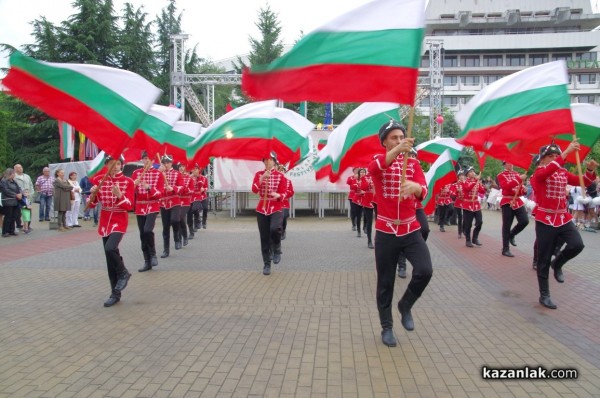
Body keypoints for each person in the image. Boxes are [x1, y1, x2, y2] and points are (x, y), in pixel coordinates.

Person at [369, 120, 433, 347]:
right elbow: (375, 168)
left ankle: (406, 304)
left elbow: (424, 189)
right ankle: (386, 327)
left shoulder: (413, 164)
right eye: (393, 138)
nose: (398, 140)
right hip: (386, 231)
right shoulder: (379, 161)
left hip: (410, 228)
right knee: (385, 282)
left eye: (401, 137)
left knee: (425, 270)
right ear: (384, 141)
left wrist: (416, 189)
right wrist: (398, 149)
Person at [531, 141, 597, 309]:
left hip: (563, 217)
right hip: (545, 219)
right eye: (550, 156)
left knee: (577, 244)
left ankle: (558, 263)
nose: (554, 158)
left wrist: (589, 170)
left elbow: (583, 181)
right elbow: (545, 174)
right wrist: (565, 152)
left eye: (556, 156)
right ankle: (544, 294)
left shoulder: (562, 172)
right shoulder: (538, 173)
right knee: (543, 258)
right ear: (543, 159)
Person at [89, 155, 135, 307]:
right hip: (105, 221)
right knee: (109, 260)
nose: (115, 167)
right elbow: (91, 205)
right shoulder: (100, 180)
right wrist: (93, 194)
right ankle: (115, 293)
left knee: (110, 248)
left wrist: (119, 195)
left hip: (119, 220)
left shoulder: (128, 182)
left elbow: (129, 206)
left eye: (118, 164)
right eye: (111, 164)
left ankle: (123, 272)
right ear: (106, 165)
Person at [251, 151, 288, 276]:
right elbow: (254, 189)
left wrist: (278, 195)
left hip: (276, 207)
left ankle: (277, 247)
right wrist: (262, 178)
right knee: (264, 237)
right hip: (262, 207)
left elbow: (284, 193)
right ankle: (267, 264)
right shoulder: (259, 174)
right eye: (266, 160)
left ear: (274, 162)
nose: (268, 162)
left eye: (270, 160)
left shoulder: (280, 176)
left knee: (275, 229)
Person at [397, 148, 430, 279]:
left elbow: (423, 187)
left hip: (416, 206)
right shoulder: (399, 166)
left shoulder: (416, 167)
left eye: (413, 155)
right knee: (401, 234)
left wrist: (416, 188)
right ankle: (402, 264)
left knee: (425, 229)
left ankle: (412, 250)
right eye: (409, 155)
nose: (411, 157)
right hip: (402, 207)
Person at [132, 151, 165, 272]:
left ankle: (153, 254)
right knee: (142, 234)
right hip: (140, 206)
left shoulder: (158, 174)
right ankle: (147, 260)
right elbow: (130, 192)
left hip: (152, 205)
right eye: (144, 159)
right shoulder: (136, 173)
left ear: (152, 160)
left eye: (148, 159)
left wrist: (149, 188)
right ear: (141, 160)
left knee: (147, 230)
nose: (146, 161)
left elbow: (160, 194)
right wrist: (133, 186)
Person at [497, 161, 529, 257]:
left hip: (517, 201)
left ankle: (512, 234)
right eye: (508, 163)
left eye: (512, 163)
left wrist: (524, 190)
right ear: (504, 164)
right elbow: (505, 187)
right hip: (507, 201)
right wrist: (518, 179)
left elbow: (520, 188)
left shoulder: (516, 174)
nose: (511, 164)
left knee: (524, 221)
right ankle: (505, 248)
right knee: (507, 225)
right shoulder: (501, 175)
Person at [159, 154, 184, 258]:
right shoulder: (159, 173)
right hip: (164, 202)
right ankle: (166, 249)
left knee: (175, 220)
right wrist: (159, 173)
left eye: (168, 163)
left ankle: (177, 238)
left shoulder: (177, 174)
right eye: (164, 163)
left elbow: (181, 187)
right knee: (165, 227)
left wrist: (173, 188)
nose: (166, 164)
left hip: (174, 201)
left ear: (171, 163)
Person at [461, 167, 486, 247]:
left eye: (473, 171)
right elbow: (467, 188)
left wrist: (481, 184)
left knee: (479, 222)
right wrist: (475, 181)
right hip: (467, 205)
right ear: (467, 174)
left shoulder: (477, 181)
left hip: (476, 205)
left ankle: (475, 238)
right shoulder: (464, 181)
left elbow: (482, 191)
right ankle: (468, 240)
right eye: (470, 171)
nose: (473, 173)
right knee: (468, 224)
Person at [1, 168, 22, 237]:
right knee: (8, 217)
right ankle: (5, 232)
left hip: (15, 201)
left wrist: (20, 194)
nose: (14, 175)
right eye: (13, 173)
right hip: (8, 201)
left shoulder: (14, 181)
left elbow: (18, 188)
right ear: (10, 173)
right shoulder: (4, 181)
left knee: (14, 216)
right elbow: (6, 191)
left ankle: (11, 231)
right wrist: (16, 195)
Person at [357, 168, 375, 248]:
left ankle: (380, 241)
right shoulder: (365, 177)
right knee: (369, 222)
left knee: (380, 222)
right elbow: (363, 187)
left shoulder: (381, 176)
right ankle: (369, 241)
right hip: (368, 201)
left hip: (379, 201)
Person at [14, 164, 34, 232]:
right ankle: (19, 225)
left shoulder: (27, 176)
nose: (20, 168)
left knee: (28, 211)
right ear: (15, 169)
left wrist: (31, 194)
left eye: (21, 167)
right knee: (18, 212)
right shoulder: (14, 177)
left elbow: (31, 185)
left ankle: (27, 226)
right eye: (18, 167)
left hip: (28, 197)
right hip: (19, 197)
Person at [177, 163, 194, 245]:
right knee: (177, 220)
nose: (181, 168)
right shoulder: (175, 177)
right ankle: (179, 239)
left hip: (186, 201)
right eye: (180, 166)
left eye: (182, 166)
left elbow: (191, 191)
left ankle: (185, 236)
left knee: (181, 218)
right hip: (176, 201)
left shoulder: (189, 178)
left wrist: (185, 188)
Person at [278, 164, 294, 240]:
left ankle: (283, 230)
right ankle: (278, 232)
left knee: (284, 218)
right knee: (277, 219)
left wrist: (285, 194)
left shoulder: (288, 181)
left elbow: (291, 192)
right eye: (280, 170)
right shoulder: (275, 180)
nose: (281, 172)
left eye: (283, 170)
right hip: (277, 204)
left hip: (285, 204)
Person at [449, 170, 466, 239]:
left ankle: (464, 230)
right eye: (460, 175)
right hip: (458, 202)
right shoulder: (455, 185)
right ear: (458, 177)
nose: (462, 177)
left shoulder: (467, 183)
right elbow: (452, 193)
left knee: (466, 217)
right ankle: (459, 232)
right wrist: (456, 191)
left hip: (466, 202)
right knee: (460, 217)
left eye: (463, 175)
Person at [350, 168, 366, 238]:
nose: (362, 173)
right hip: (357, 200)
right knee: (358, 216)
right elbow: (352, 187)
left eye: (364, 172)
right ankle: (358, 230)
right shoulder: (355, 180)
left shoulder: (368, 180)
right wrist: (357, 185)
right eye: (361, 172)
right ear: (359, 174)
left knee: (366, 215)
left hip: (366, 200)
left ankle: (365, 226)